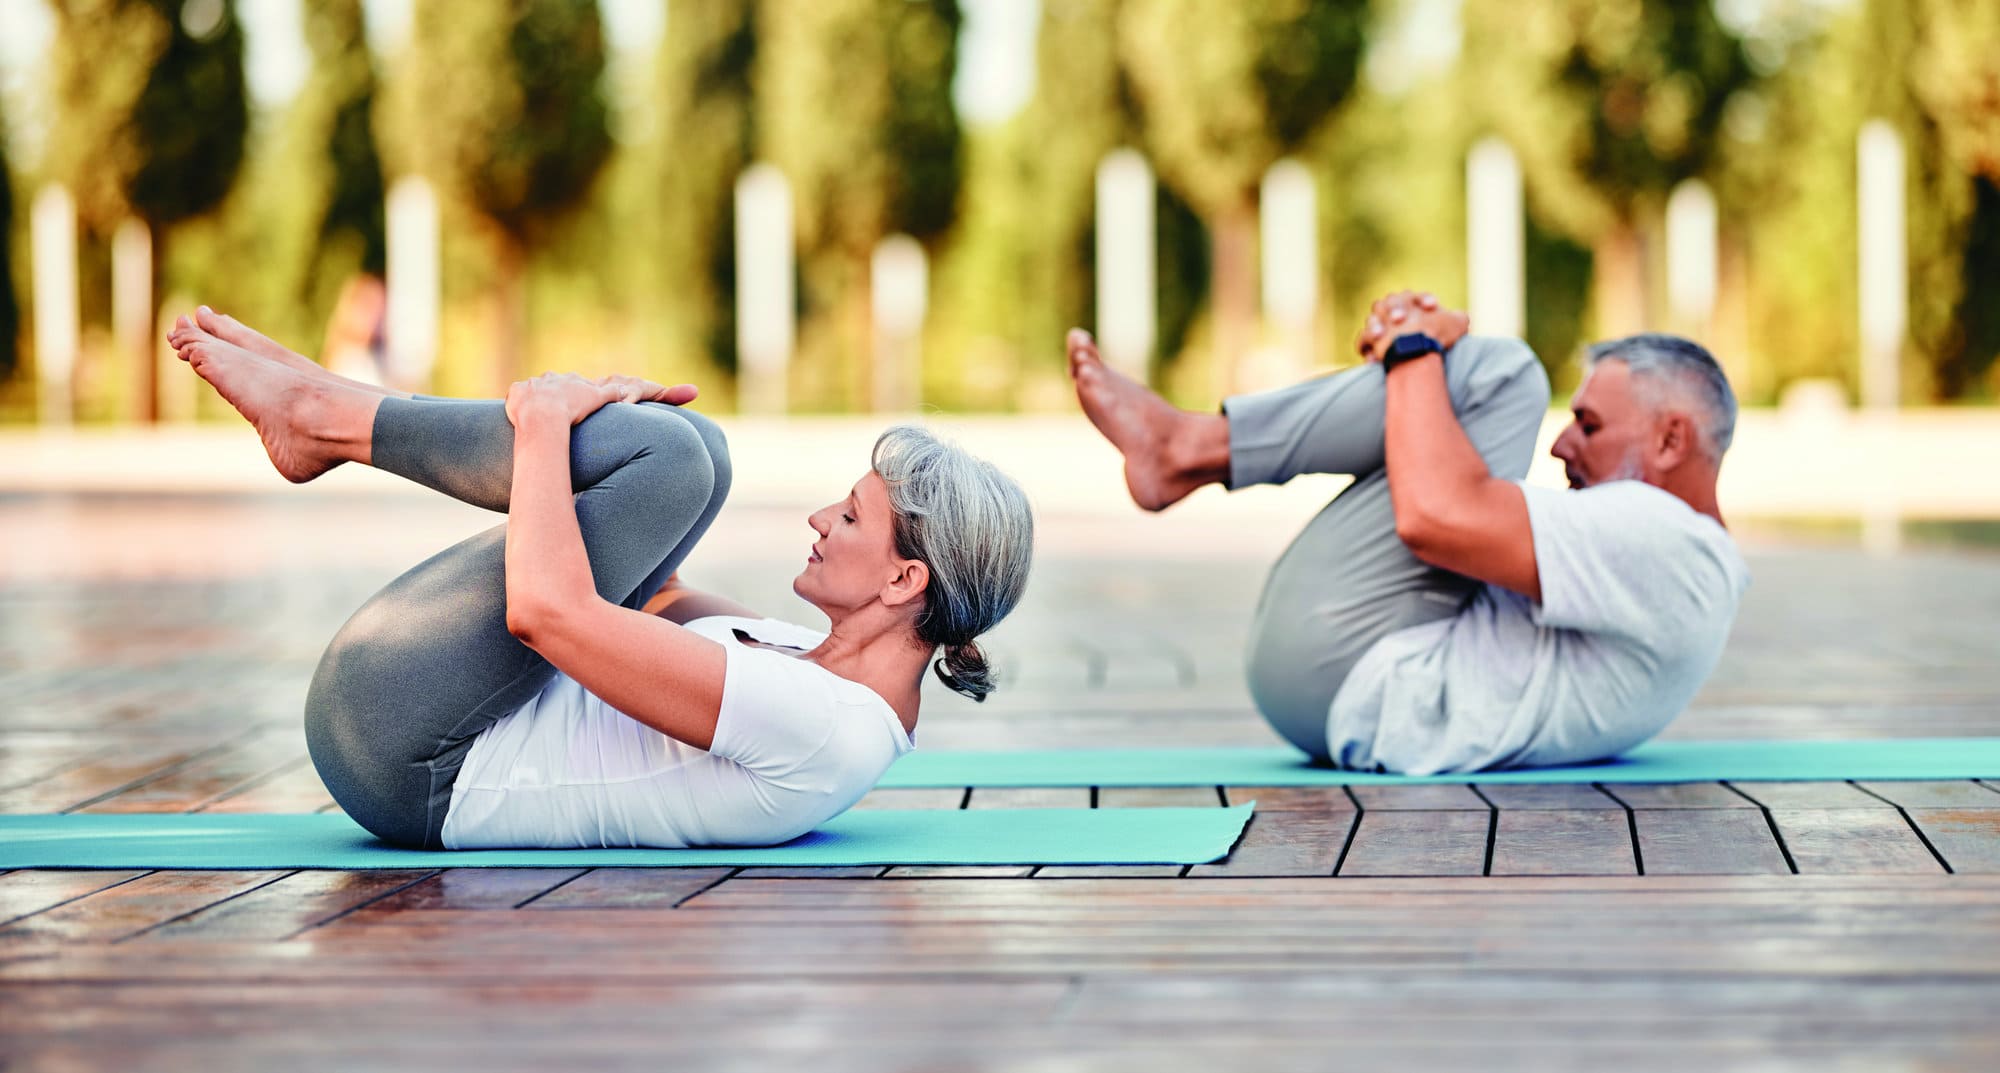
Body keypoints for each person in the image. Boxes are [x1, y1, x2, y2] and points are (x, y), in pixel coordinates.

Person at [166, 307, 1033, 849]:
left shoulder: (820, 724)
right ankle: (325, 405)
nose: (818, 519)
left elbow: (548, 612)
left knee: (664, 463)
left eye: (848, 517)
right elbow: (651, 591)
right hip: (427, 718)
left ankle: (322, 416)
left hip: (407, 757)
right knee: (697, 456)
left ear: (902, 580)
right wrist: (621, 437)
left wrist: (547, 424)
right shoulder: (810, 665)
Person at [1067, 290, 1749, 774]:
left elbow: (1434, 516)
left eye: (1590, 424)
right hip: (1344, 681)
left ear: (1670, 439)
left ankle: (1187, 448)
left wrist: (1415, 346)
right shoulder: (1681, 565)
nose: (1562, 445)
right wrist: (1412, 366)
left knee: (1502, 375)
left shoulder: (1669, 543)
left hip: (1353, 669)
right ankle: (1190, 446)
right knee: (1456, 382)